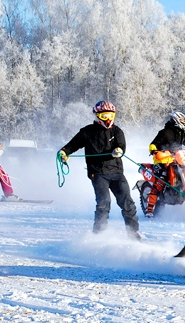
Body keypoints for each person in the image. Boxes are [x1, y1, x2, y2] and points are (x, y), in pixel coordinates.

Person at [58, 101, 141, 239]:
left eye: (110, 115)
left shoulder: (117, 131)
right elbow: (71, 146)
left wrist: (119, 150)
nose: (107, 119)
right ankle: (98, 235)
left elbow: (121, 145)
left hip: (117, 173)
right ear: (97, 116)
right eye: (104, 115)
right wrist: (64, 153)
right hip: (97, 173)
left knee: (127, 203)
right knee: (104, 203)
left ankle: (133, 232)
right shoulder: (86, 132)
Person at [143, 110, 185, 217]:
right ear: (177, 120)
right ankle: (149, 209)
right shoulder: (164, 132)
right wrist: (154, 151)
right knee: (161, 180)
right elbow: (153, 144)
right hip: (163, 160)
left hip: (177, 159)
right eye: (183, 120)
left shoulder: (181, 133)